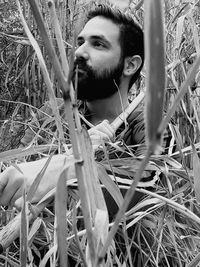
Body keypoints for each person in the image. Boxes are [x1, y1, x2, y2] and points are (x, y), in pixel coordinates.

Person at [0, 4, 145, 208]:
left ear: (130, 65)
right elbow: (15, 168)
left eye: (98, 44)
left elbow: (149, 183)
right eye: (80, 42)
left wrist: (73, 169)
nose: (79, 52)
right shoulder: (52, 112)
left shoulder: (148, 123)